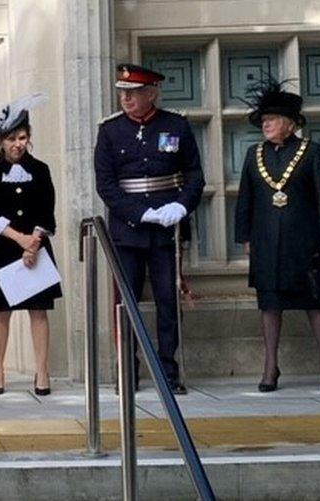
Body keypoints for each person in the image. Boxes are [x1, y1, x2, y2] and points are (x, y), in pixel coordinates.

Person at [94, 64, 205, 395]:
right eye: (123, 92)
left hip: (167, 230)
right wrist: (142, 214)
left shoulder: (176, 125)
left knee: (168, 301)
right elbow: (107, 185)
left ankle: (168, 370)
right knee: (126, 302)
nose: (126, 98)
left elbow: (195, 174)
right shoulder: (110, 131)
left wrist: (180, 206)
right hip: (128, 229)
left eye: (134, 92)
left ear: (152, 93)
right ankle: (129, 369)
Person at [234, 76, 320, 394]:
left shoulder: (312, 152)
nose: (265, 125)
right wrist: (244, 237)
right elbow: (245, 200)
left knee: (316, 304)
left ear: (290, 123)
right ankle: (270, 366)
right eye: (264, 120)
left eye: (272, 119)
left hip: (305, 242)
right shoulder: (254, 155)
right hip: (266, 242)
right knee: (269, 304)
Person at [0, 93, 62, 396]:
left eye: (22, 137)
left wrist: (34, 242)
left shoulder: (40, 170)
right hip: (4, 247)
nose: (17, 144)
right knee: (0, 312)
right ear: (1, 140)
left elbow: (47, 211)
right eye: (11, 138)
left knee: (39, 311)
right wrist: (20, 239)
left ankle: (42, 370)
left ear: (29, 138)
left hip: (36, 248)